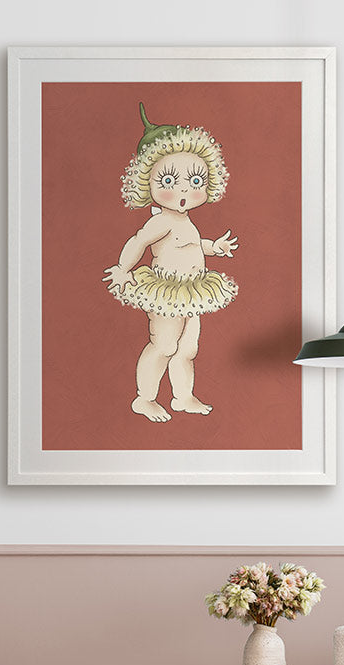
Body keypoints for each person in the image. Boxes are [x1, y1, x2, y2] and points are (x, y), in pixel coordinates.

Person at [103, 103, 239, 424]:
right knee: (163, 344)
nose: (183, 190)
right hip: (167, 292)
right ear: (146, 183)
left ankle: (183, 396)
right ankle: (145, 398)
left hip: (191, 291)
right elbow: (139, 241)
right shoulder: (161, 221)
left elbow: (191, 245)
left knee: (187, 348)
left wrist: (213, 247)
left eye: (194, 181)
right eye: (168, 180)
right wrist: (123, 269)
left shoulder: (185, 222)